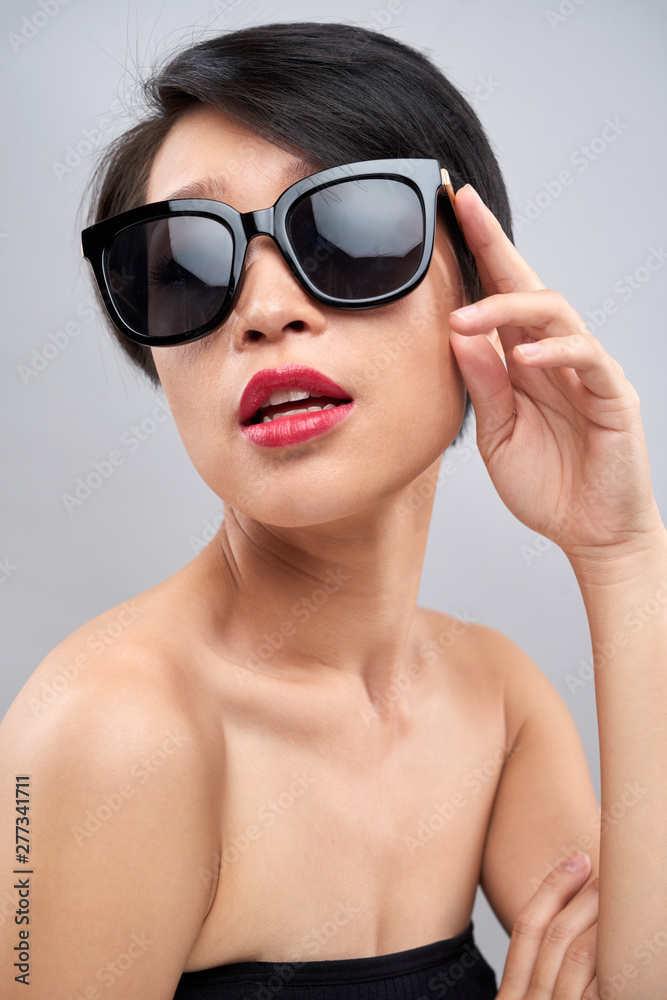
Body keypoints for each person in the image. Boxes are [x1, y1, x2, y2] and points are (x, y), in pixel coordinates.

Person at [1, 20, 665, 1000]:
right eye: (185, 265)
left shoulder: (498, 700)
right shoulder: (115, 732)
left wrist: (621, 554)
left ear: (484, 292)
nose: (266, 309)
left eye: (350, 229)